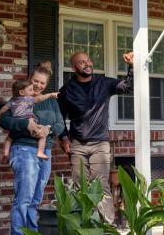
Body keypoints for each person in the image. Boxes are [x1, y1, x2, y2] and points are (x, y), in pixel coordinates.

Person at [57, 51, 133, 225]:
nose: (87, 64)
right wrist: (63, 137)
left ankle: (106, 226)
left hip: (100, 143)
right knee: (80, 186)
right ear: (74, 67)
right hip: (77, 144)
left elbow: (127, 86)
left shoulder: (103, 83)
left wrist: (131, 67)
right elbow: (58, 116)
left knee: (100, 185)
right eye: (82, 62)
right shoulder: (67, 90)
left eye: (89, 60)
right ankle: (84, 226)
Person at [0, 62, 65, 235]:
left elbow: (60, 125)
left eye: (42, 83)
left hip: (45, 152)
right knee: (24, 199)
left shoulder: (51, 102)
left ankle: (32, 232)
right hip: (24, 151)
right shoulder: (20, 99)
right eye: (35, 81)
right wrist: (25, 123)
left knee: (36, 200)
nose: (38, 85)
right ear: (30, 79)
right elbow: (3, 120)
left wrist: (48, 129)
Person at [0, 78, 58, 161]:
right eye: (30, 90)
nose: (33, 92)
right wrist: (50, 95)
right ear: (22, 92)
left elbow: (4, 108)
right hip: (29, 125)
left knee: (8, 139)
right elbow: (39, 99)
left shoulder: (13, 101)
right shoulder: (28, 100)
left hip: (17, 128)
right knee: (42, 136)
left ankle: (6, 152)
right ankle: (40, 152)